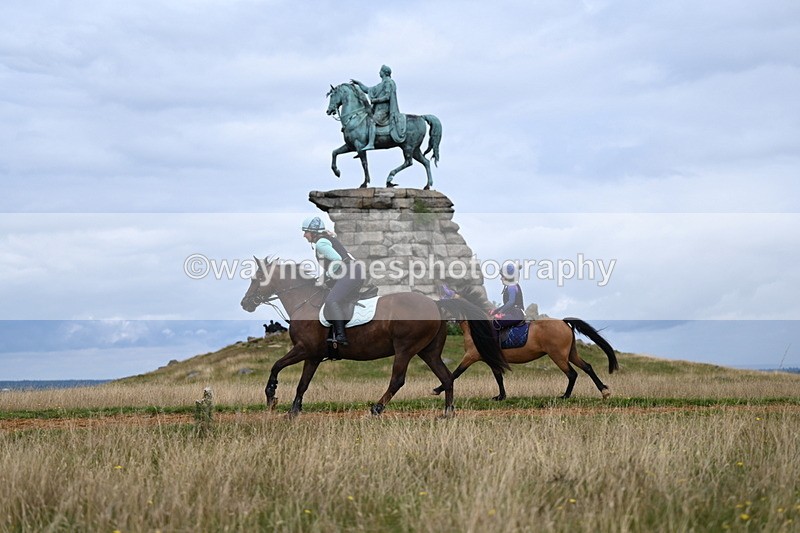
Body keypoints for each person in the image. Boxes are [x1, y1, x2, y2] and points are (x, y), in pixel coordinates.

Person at [301, 216, 365, 346]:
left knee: (331, 300)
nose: (304, 235)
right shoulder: (326, 239)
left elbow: (337, 259)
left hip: (350, 272)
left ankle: (341, 336)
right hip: (353, 271)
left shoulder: (320, 243)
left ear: (313, 232)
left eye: (306, 232)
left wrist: (326, 276)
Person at [351, 65, 406, 151]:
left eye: (380, 71)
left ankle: (371, 143)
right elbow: (367, 89)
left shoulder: (389, 83)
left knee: (372, 121)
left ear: (384, 72)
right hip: (378, 110)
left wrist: (375, 100)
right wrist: (359, 83)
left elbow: (387, 97)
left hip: (385, 110)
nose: (379, 72)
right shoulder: (380, 85)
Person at [490, 263, 525, 329]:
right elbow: (508, 304)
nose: (501, 278)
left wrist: (500, 312)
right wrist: (496, 310)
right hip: (515, 314)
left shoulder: (511, 286)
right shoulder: (512, 285)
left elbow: (511, 302)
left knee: (495, 323)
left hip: (515, 315)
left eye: (502, 276)